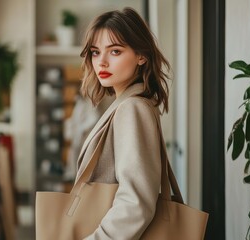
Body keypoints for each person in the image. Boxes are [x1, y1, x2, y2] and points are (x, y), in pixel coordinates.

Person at [76, 7, 171, 239]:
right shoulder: (132, 104)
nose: (102, 62)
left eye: (115, 51)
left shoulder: (132, 108)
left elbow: (136, 202)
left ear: (141, 55)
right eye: (96, 52)